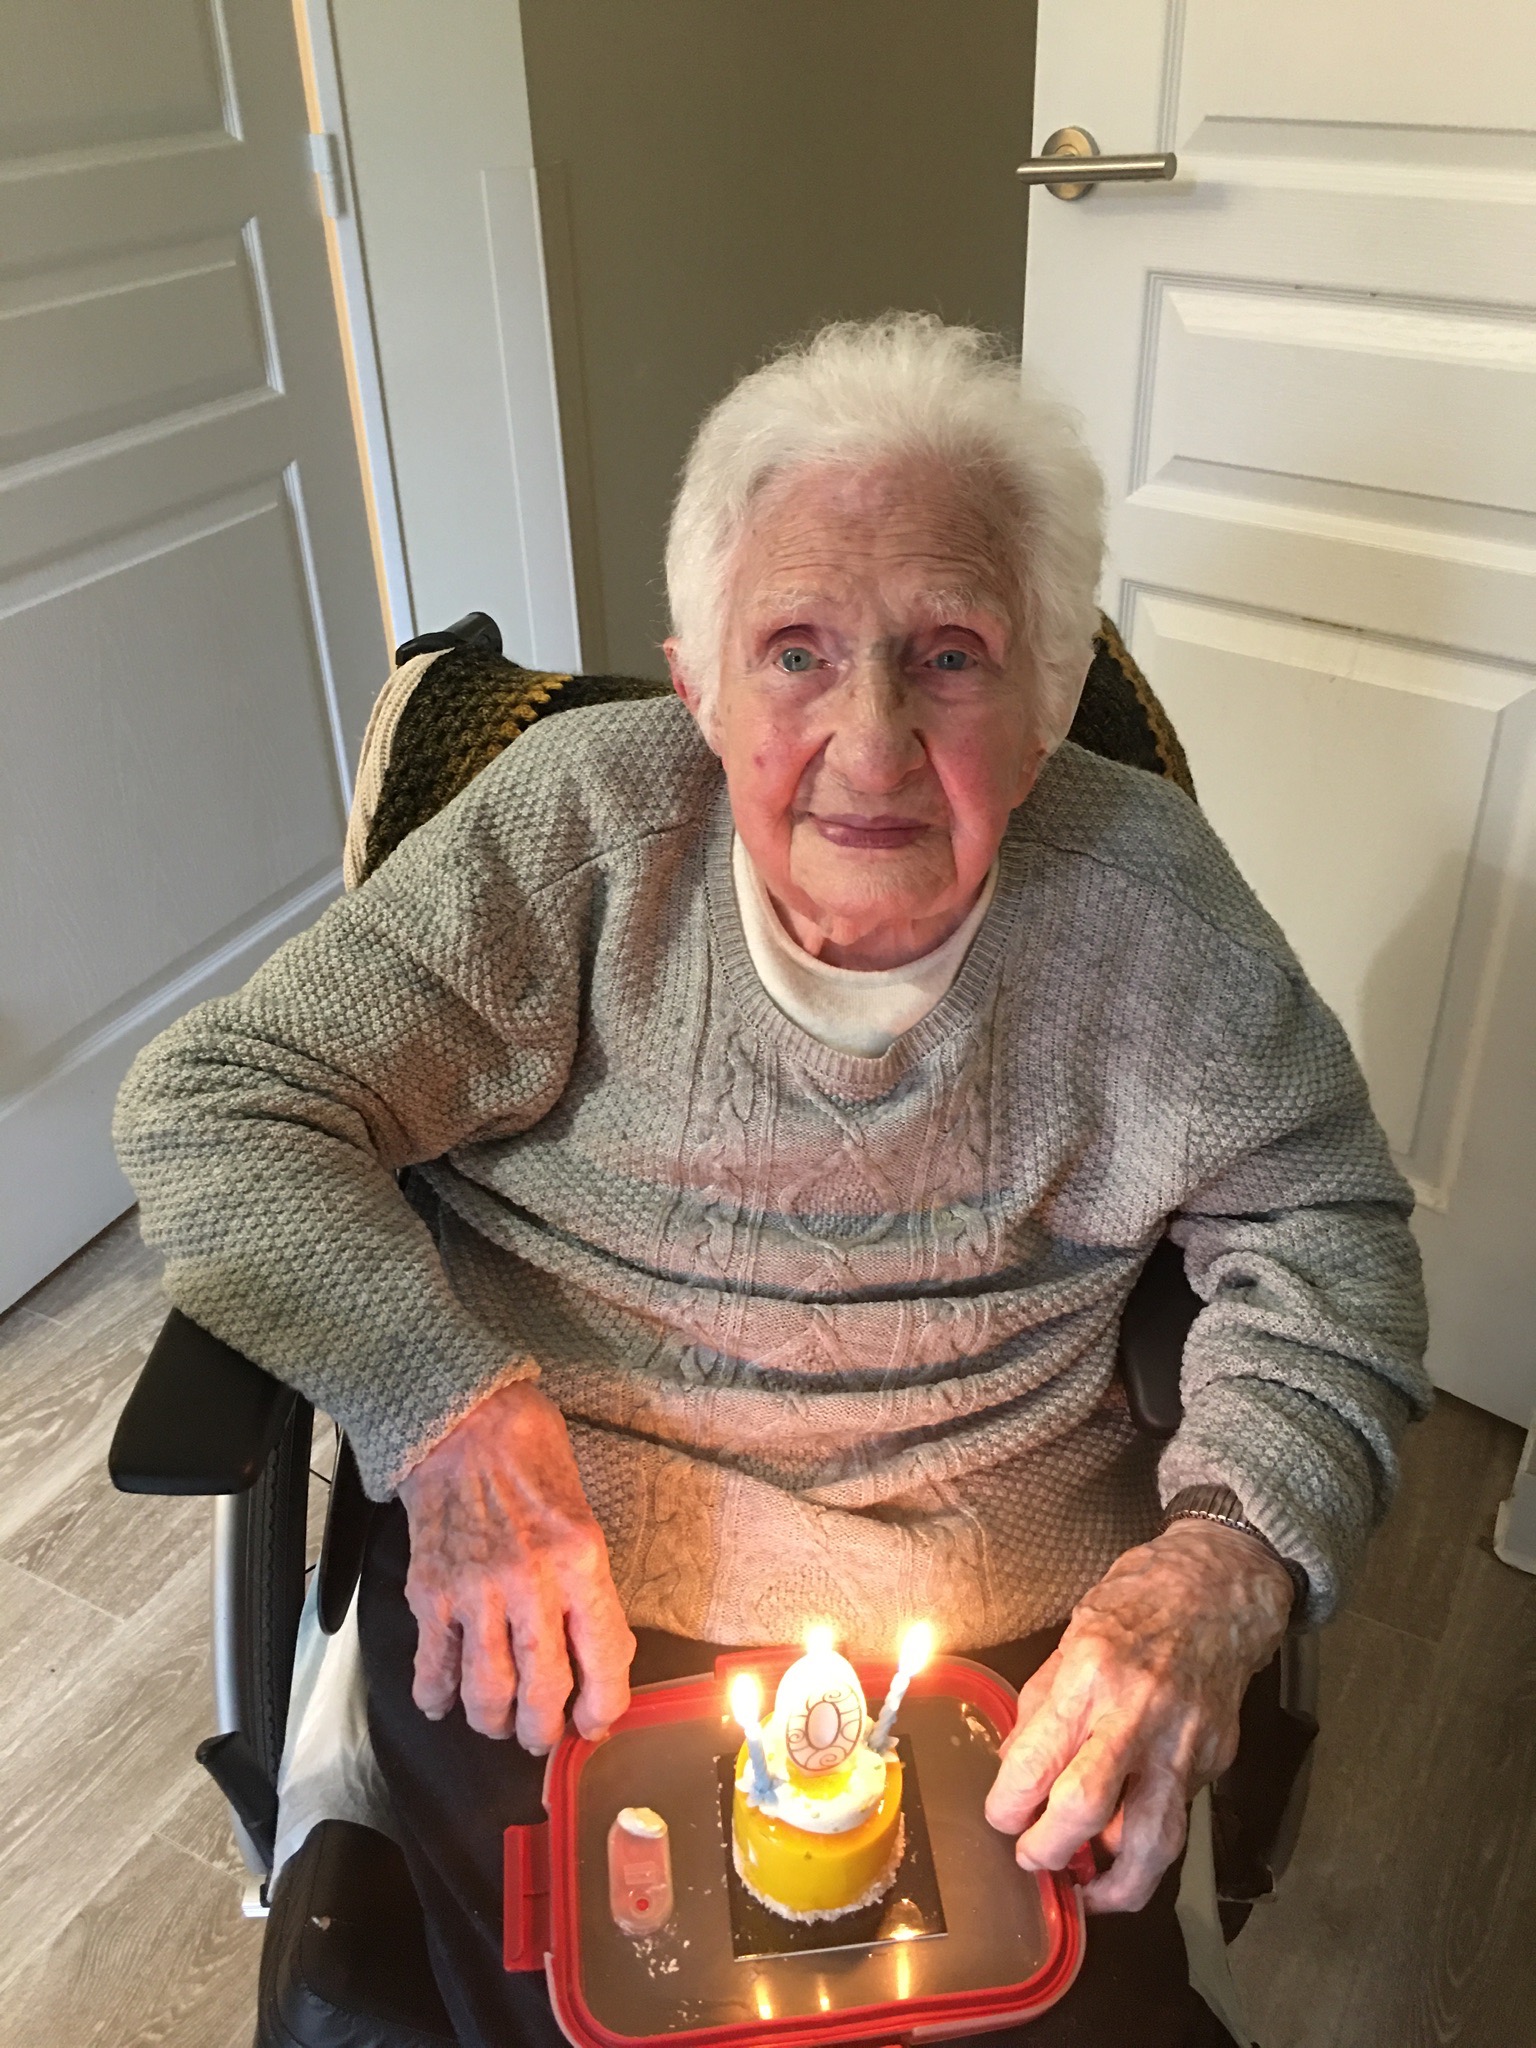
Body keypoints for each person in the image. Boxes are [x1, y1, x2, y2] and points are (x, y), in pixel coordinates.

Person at [116, 316, 1429, 2046]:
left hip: (998, 1644)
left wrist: (1219, 1564)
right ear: (701, 689)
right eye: (795, 650)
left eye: (950, 655)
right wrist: (447, 1417)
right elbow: (220, 1103)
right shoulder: (580, 836)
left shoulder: (1152, 913)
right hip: (555, 1602)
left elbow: (1328, 1235)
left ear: (1046, 707)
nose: (870, 742)